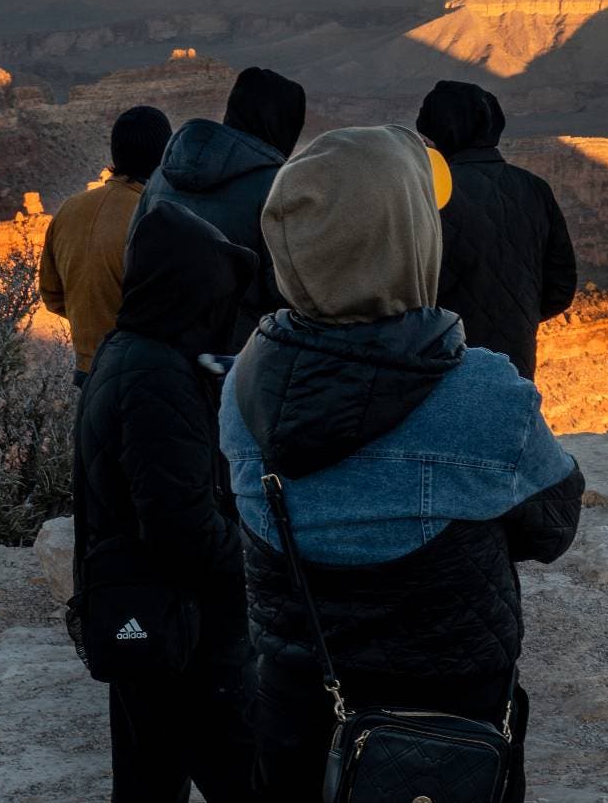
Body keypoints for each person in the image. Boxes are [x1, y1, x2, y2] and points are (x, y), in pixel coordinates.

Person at [218, 125, 584, 803]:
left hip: (300, 713)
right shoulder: (482, 391)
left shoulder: (240, 391)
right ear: (410, 236)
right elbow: (554, 527)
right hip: (447, 722)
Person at [73, 201, 259, 803]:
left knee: (147, 777)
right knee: (242, 775)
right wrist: (255, 561)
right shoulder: (157, 376)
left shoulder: (124, 351)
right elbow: (182, 529)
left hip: (141, 615)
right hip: (182, 631)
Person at [414, 80, 578, 379]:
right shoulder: (535, 189)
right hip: (514, 364)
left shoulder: (429, 192)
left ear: (440, 134)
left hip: (441, 362)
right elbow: (560, 289)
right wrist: (515, 315)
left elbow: (410, 289)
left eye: (426, 137)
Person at [135, 67, 305, 353]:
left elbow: (132, 255)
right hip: (235, 353)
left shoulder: (162, 174)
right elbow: (282, 289)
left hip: (157, 343)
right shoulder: (276, 186)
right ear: (283, 124)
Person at [41, 105, 171, 387]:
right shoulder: (157, 215)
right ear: (163, 156)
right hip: (145, 375)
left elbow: (52, 296)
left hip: (88, 373)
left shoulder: (68, 210)